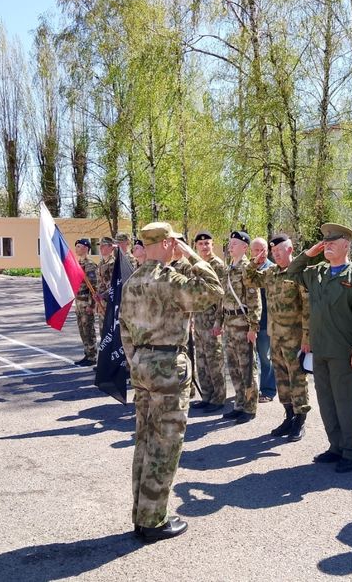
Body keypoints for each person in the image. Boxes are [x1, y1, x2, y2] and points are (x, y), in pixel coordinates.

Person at [119, 221, 224, 543]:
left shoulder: (133, 281)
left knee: (144, 440)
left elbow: (124, 329)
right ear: (166, 243)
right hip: (167, 366)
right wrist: (192, 255)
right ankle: (153, 520)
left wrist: (136, 361)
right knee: (165, 444)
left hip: (141, 365)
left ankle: (142, 514)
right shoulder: (168, 279)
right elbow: (214, 290)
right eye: (174, 242)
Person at [286, 223, 352, 473]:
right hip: (320, 351)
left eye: (333, 242)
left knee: (345, 404)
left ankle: (351, 452)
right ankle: (336, 447)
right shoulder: (318, 273)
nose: (327, 245)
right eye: (325, 242)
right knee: (327, 403)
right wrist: (309, 254)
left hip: (343, 353)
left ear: (346, 245)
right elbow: (291, 272)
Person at [245, 233, 311, 441]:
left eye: (279, 251)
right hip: (275, 336)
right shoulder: (271, 272)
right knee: (281, 379)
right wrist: (255, 262)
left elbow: (308, 308)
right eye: (273, 251)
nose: (276, 254)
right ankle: (289, 416)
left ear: (290, 250)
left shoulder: (299, 273)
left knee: (297, 379)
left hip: (295, 338)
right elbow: (248, 279)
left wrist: (307, 338)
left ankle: (300, 420)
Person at [220, 230, 262, 424]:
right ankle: (239, 403)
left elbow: (254, 301)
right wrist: (220, 322)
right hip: (229, 324)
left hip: (243, 324)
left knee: (247, 367)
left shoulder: (247, 269)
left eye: (234, 243)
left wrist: (253, 327)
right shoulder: (229, 268)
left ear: (245, 247)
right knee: (234, 367)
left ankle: (250, 406)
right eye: (230, 243)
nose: (230, 246)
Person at [189, 230, 229, 413]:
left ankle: (218, 398)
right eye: (200, 244)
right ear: (196, 246)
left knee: (214, 360)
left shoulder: (217, 265)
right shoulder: (197, 265)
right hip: (198, 319)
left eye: (207, 243)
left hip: (212, 319)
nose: (204, 247)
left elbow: (222, 296)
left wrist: (219, 322)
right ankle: (207, 396)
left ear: (212, 245)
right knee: (202, 360)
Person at [250, 236, 277, 403]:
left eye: (263, 250)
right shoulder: (248, 269)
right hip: (249, 322)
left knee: (265, 357)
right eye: (256, 250)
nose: (260, 253)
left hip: (266, 321)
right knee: (250, 358)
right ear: (251, 251)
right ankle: (250, 389)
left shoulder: (272, 269)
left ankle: (268, 390)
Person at [73, 239, 98, 367]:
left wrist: (91, 305)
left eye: (79, 246)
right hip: (78, 302)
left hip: (86, 303)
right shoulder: (77, 264)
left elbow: (94, 287)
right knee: (82, 330)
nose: (76, 249)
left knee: (88, 330)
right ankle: (87, 353)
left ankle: (92, 356)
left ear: (86, 248)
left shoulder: (90, 265)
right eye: (76, 246)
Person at [95, 236, 116, 330]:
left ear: (111, 247)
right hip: (101, 303)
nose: (100, 248)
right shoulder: (100, 264)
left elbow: (114, 285)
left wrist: (103, 295)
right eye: (100, 245)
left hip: (109, 303)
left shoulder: (113, 264)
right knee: (102, 330)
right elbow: (99, 283)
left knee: (109, 331)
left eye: (103, 245)